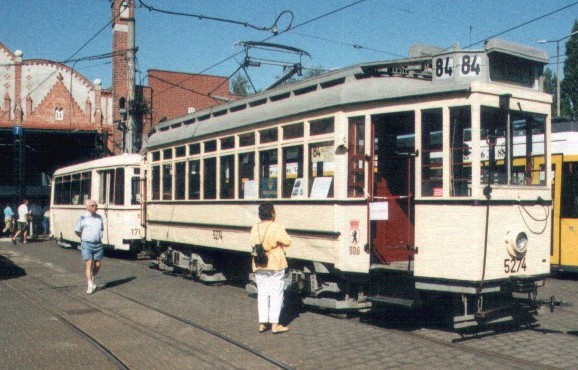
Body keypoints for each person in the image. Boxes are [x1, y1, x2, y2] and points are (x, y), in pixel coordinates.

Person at [250, 201, 291, 334]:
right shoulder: (276, 227)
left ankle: (262, 324)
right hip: (275, 263)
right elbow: (287, 241)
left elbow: (252, 243)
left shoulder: (254, 228)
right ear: (272, 213)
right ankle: (275, 325)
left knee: (262, 293)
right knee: (276, 294)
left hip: (259, 264)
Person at [74, 199, 104, 294]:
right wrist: (83, 238)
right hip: (87, 243)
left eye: (96, 206)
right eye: (92, 205)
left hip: (98, 244)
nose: (95, 207)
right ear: (87, 207)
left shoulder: (99, 217)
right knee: (89, 264)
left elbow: (102, 229)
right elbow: (77, 230)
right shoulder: (83, 217)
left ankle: (92, 278)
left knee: (98, 265)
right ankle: (90, 284)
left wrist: (100, 236)